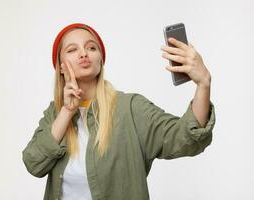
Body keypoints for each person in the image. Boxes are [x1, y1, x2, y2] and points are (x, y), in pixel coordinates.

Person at [22, 23, 216, 200]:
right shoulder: (54, 114)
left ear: (101, 60)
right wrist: (66, 111)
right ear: (61, 68)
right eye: (72, 50)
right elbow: (34, 164)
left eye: (91, 47)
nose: (83, 53)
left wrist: (203, 84)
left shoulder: (130, 108)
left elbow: (186, 138)